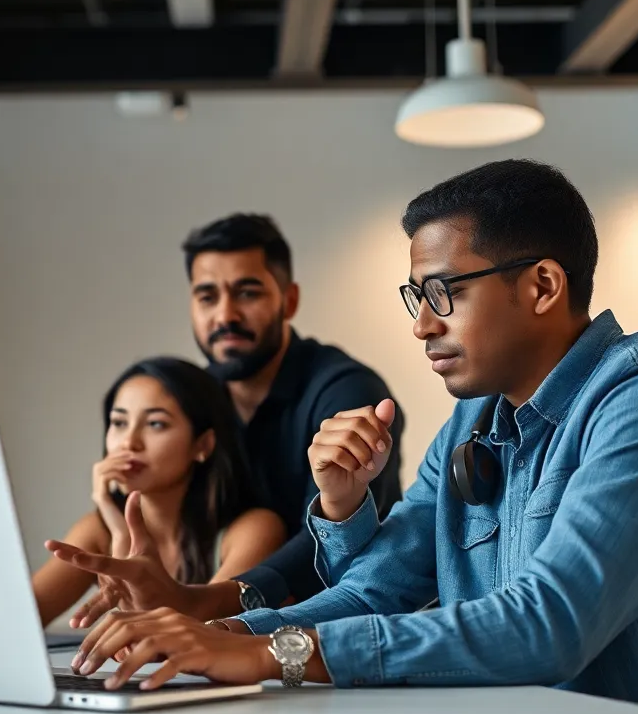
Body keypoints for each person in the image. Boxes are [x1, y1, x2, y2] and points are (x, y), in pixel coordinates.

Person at [60, 160, 638, 714]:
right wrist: (223, 634)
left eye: (442, 293)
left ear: (543, 285)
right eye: (415, 298)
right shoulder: (476, 420)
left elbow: (552, 624)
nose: (422, 325)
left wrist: (278, 652)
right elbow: (380, 587)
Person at [48, 214, 405, 628]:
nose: (225, 315)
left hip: (349, 623)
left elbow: (330, 539)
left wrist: (197, 604)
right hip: (233, 626)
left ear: (288, 301)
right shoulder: (196, 398)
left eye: (247, 293)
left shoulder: (345, 392)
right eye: (206, 296)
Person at [31, 357, 286, 627]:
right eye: (119, 422)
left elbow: (186, 635)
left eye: (155, 424)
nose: (129, 442)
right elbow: (16, 622)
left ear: (203, 444)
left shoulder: (254, 529)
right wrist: (118, 530)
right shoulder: (98, 529)